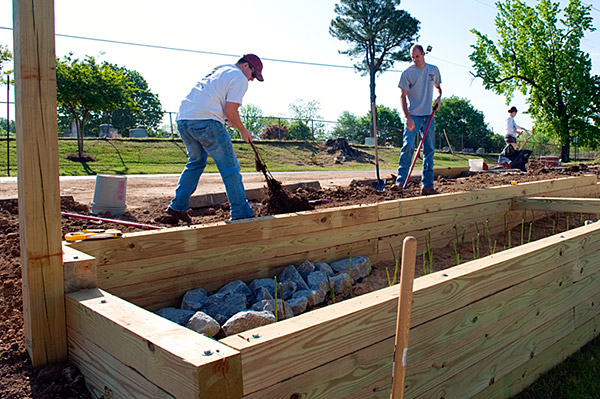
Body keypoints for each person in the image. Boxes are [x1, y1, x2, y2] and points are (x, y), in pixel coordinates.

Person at [166, 54, 264, 223]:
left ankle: (178, 206)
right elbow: (230, 109)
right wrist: (243, 130)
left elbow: (216, 104)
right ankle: (241, 212)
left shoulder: (220, 70)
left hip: (184, 120)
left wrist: (228, 119)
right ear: (246, 66)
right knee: (230, 168)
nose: (252, 80)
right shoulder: (239, 77)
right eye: (253, 75)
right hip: (207, 122)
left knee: (196, 162)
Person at [392, 44, 442, 195]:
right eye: (412, 57)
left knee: (429, 150)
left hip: (428, 115)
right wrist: (407, 117)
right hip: (413, 115)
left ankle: (427, 185)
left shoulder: (433, 70)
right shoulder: (408, 73)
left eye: (417, 56)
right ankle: (400, 182)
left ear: (423, 55)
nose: (415, 59)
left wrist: (439, 97)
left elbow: (438, 88)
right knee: (407, 147)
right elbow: (402, 96)